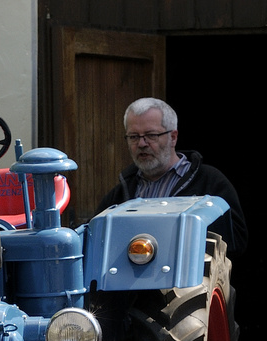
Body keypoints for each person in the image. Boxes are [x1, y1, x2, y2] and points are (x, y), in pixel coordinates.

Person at [97, 97, 248, 255]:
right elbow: (95, 241)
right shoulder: (121, 193)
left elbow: (236, 242)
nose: (141, 144)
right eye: (134, 137)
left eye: (151, 135)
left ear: (173, 137)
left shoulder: (210, 182)